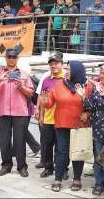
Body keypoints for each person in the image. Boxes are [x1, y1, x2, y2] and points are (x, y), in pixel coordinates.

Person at [40, 60, 91, 192]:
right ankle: (58, 178)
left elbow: (93, 105)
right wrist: (45, 102)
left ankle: (77, 179)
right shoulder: (59, 84)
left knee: (77, 152)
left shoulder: (88, 86)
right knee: (61, 151)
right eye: (66, 69)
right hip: (62, 123)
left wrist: (88, 113)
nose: (66, 72)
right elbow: (50, 102)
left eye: (69, 70)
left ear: (77, 71)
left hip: (79, 124)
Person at [0, 48, 34, 178]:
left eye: (14, 57)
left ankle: (22, 166)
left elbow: (31, 92)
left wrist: (21, 87)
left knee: (20, 140)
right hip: (3, 111)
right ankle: (6, 165)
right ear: (6, 58)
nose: (11, 59)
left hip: (20, 112)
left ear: (17, 58)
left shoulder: (24, 74)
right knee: (5, 141)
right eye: (9, 57)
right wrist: (0, 80)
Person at [79, 63, 104, 196]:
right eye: (100, 73)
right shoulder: (96, 88)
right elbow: (91, 107)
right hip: (98, 128)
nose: (100, 76)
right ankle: (99, 184)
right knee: (99, 157)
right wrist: (83, 96)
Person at [34, 51, 69, 180]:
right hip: (48, 118)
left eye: (56, 63)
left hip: (63, 119)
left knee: (62, 147)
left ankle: (63, 169)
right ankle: (48, 168)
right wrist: (41, 115)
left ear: (62, 64)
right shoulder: (46, 80)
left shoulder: (67, 78)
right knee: (47, 145)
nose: (54, 66)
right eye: (51, 64)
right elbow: (43, 99)